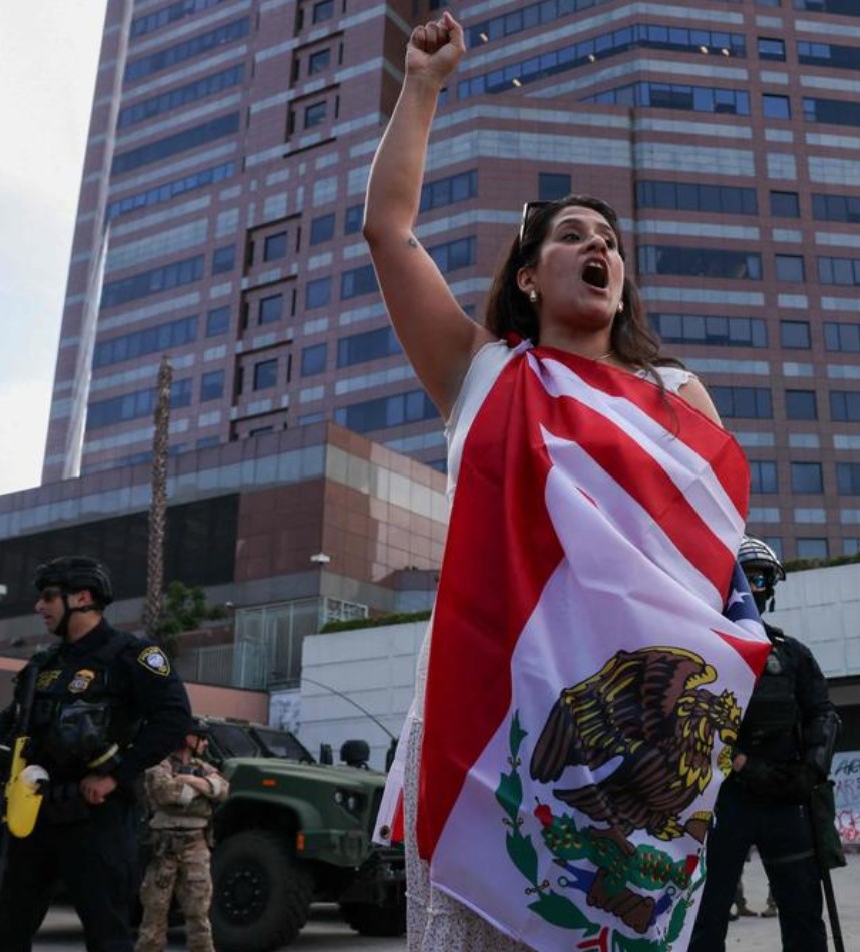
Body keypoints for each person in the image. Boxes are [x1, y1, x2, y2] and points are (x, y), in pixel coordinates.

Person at [364, 14, 735, 949]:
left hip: (628, 711)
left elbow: (709, 568)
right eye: (572, 236)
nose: (597, 245)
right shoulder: (482, 372)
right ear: (529, 277)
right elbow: (387, 230)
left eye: (608, 238)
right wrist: (423, 85)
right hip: (486, 694)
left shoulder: (676, 396)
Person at [0, 556, 192, 952]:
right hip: (31, 816)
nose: (39, 607)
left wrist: (116, 775)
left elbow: (174, 719)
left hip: (96, 819)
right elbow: (10, 720)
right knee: (1, 934)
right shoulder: (43, 664)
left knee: (108, 937)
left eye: (48, 597)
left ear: (82, 598)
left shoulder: (133, 655)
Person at [690, 537, 838, 952]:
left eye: (756, 579)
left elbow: (823, 713)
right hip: (720, 801)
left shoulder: (792, 654)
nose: (747, 588)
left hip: (785, 795)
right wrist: (733, 761)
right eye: (738, 580)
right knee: (706, 916)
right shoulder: (697, 652)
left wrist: (811, 769)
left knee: (803, 912)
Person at [136, 724, 229, 952]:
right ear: (188, 738)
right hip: (163, 847)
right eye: (202, 738)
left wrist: (189, 781)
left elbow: (223, 789)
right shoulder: (159, 765)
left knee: (199, 914)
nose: (205, 744)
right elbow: (169, 794)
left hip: (195, 844)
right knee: (154, 914)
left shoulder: (202, 766)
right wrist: (204, 788)